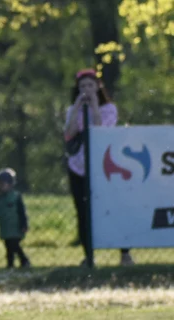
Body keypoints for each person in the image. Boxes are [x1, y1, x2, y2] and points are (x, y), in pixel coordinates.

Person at [63, 68, 127, 267]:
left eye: (91, 85)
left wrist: (95, 106)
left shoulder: (109, 109)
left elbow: (101, 132)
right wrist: (76, 107)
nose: (87, 89)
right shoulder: (72, 110)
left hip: (103, 167)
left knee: (112, 209)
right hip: (79, 166)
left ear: (98, 86)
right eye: (83, 86)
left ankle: (124, 252)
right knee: (82, 211)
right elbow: (69, 134)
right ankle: (88, 255)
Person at [0, 168, 30, 269]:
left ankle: (24, 260)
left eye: (3, 184)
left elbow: (22, 212)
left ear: (11, 184)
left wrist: (24, 224)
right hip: (5, 227)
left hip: (15, 227)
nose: (0, 186)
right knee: (8, 246)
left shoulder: (16, 197)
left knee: (14, 245)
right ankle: (11, 263)